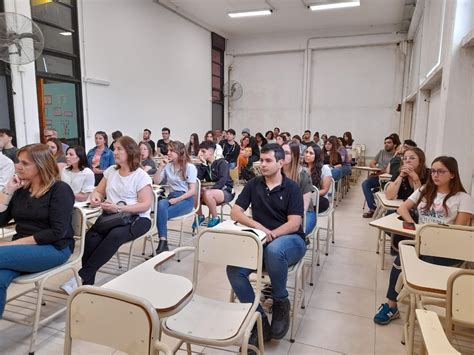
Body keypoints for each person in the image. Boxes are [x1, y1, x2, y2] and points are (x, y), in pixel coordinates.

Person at [374, 156, 473, 325]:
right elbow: (402, 208)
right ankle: (392, 305)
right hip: (422, 243)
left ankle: (413, 298)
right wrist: (416, 228)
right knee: (402, 257)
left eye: (441, 171)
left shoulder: (463, 198)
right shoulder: (425, 190)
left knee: (408, 261)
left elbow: (458, 232)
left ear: (453, 175)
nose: (435, 175)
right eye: (433, 171)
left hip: (447, 249)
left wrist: (430, 235)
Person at [226, 143, 306, 350]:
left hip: (292, 241)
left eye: (268, 160)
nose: (262, 164)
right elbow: (235, 212)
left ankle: (280, 301)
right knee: (233, 270)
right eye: (261, 160)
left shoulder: (292, 188)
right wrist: (258, 226)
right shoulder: (254, 184)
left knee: (274, 250)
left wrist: (273, 235)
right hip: (262, 241)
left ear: (281, 163)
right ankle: (258, 319)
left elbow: (294, 223)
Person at [0, 144, 75, 317]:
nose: (18, 166)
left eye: (25, 163)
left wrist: (12, 245)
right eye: (18, 161)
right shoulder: (21, 190)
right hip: (22, 247)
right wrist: (8, 190)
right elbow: (1, 220)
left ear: (41, 165)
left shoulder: (59, 190)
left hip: (54, 248)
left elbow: (57, 232)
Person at [74, 136, 153, 287]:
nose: (114, 152)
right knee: (91, 237)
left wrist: (118, 208)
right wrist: (96, 198)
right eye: (114, 148)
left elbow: (145, 205)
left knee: (115, 235)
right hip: (112, 216)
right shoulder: (111, 171)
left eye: (119, 149)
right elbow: (97, 191)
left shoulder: (140, 175)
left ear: (130, 152)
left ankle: (81, 277)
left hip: (137, 218)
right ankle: (87, 282)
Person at [152, 141, 197, 254]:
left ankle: (163, 243)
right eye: (168, 150)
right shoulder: (168, 166)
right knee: (161, 204)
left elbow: (192, 191)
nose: (168, 153)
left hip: (185, 199)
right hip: (171, 196)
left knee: (159, 213)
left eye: (171, 150)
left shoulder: (189, 167)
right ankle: (163, 241)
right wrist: (161, 167)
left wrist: (178, 199)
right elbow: (157, 181)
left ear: (180, 152)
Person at [194, 141, 234, 228]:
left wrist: (210, 189)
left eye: (203, 151)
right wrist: (203, 165)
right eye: (200, 151)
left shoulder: (222, 163)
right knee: (194, 192)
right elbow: (197, 179)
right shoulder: (205, 164)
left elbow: (223, 180)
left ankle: (215, 218)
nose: (200, 153)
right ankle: (200, 216)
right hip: (211, 192)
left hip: (225, 191)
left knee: (207, 193)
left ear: (211, 152)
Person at [282, 141, 315, 234]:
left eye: (287, 153)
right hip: (283, 211)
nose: (282, 155)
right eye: (281, 152)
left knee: (292, 232)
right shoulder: (276, 172)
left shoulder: (303, 174)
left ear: (295, 156)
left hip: (304, 213)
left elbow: (304, 207)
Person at [361, 136, 396, 218]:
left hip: (389, 180)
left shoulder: (397, 155)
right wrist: (376, 168)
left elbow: (392, 171)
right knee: (365, 184)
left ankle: (387, 208)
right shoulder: (381, 152)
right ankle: (373, 208)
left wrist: (383, 171)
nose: (386, 144)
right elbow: (372, 163)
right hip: (378, 176)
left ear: (395, 144)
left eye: (389, 142)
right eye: (385, 143)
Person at [303, 143, 331, 213]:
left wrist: (310, 195)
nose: (307, 155)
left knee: (322, 202)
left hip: (318, 197)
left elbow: (325, 190)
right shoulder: (301, 168)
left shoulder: (324, 169)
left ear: (317, 156)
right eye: (306, 152)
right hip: (302, 196)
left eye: (311, 153)